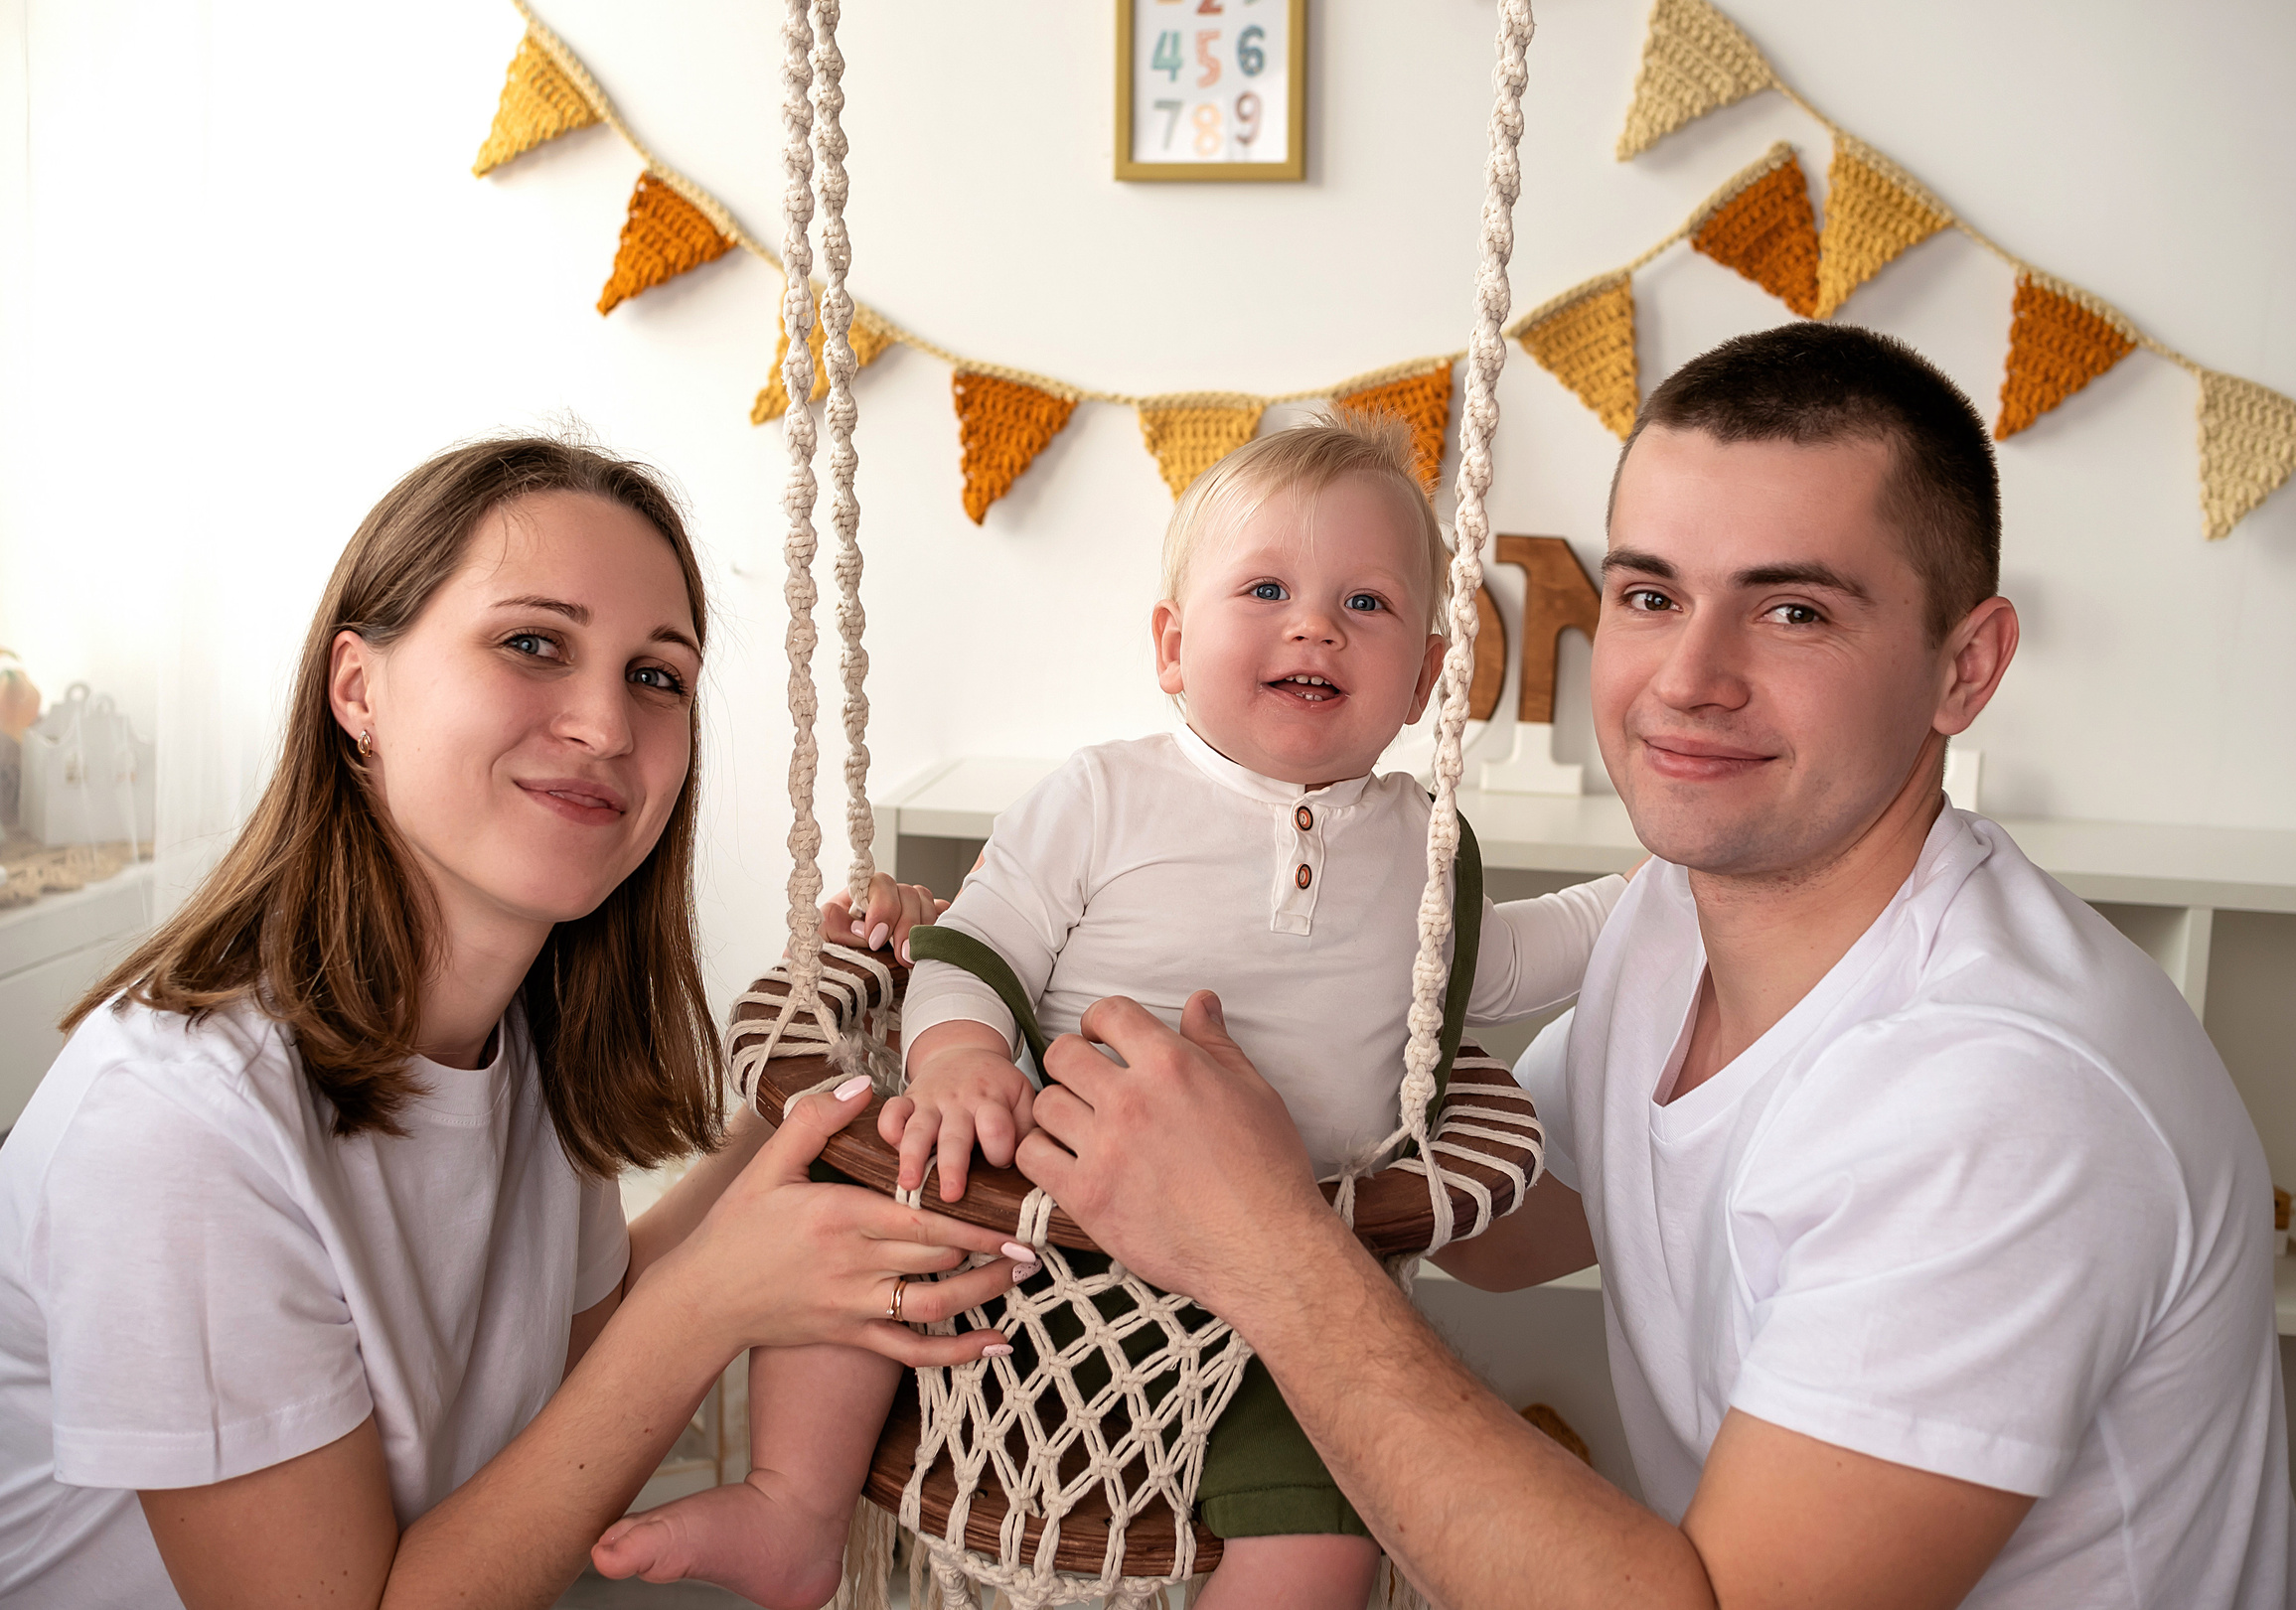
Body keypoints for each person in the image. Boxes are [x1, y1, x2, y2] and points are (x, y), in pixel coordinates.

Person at [1013, 326, 2296, 1609]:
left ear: (1962, 669)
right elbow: (1509, 1234)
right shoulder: (1672, 919)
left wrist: (1266, 1246)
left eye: (1793, 610)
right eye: (1648, 597)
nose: (1689, 680)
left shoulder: (2004, 1096)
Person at [0, 437, 1021, 1610]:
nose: (606, 723)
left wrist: (823, 1091)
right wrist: (719, 1300)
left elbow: (570, 1350)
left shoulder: (531, 1031)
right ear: (358, 690)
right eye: (532, 643)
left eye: (658, 675)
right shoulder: (181, 1122)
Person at [595, 415, 1628, 1608]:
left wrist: (1675, 892)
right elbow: (973, 941)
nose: (1314, 625)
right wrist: (965, 1054)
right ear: (1173, 646)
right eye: (1269, 588)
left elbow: (1505, 963)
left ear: (1426, 677)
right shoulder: (1103, 795)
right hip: (1025, 1238)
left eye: (1366, 604)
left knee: (1324, 1537)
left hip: (1276, 1302)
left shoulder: (1426, 852)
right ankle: (793, 1503)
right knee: (853, 1219)